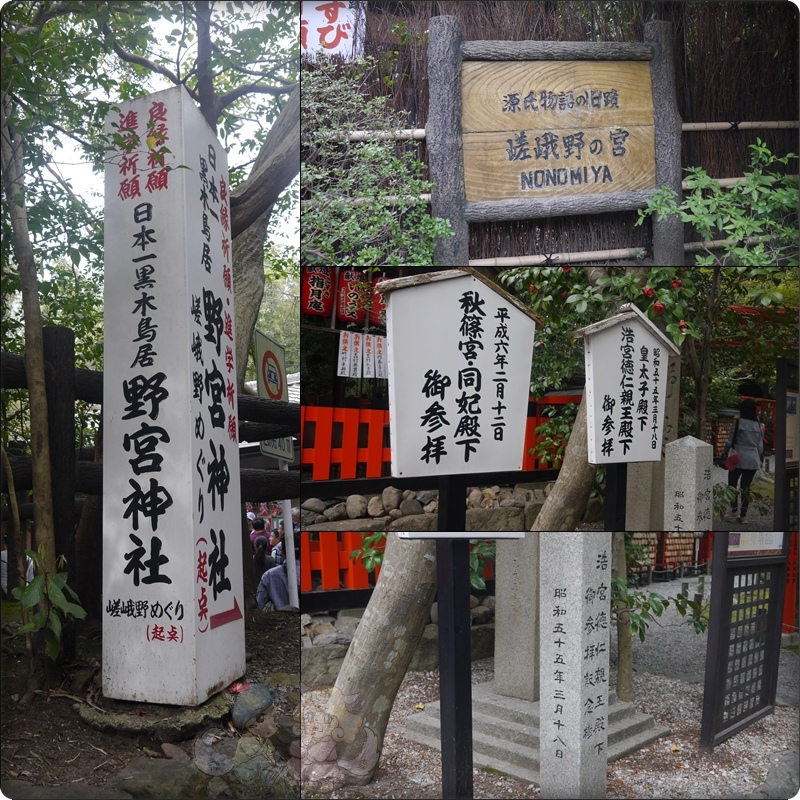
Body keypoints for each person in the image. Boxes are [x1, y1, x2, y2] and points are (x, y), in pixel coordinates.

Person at [723, 398, 764, 523]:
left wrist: (725, 451)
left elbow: (730, 441)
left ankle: (734, 510)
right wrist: (759, 457)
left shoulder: (738, 423)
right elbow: (760, 446)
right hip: (753, 459)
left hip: (738, 458)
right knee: (746, 488)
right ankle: (744, 515)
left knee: (732, 484)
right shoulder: (759, 425)